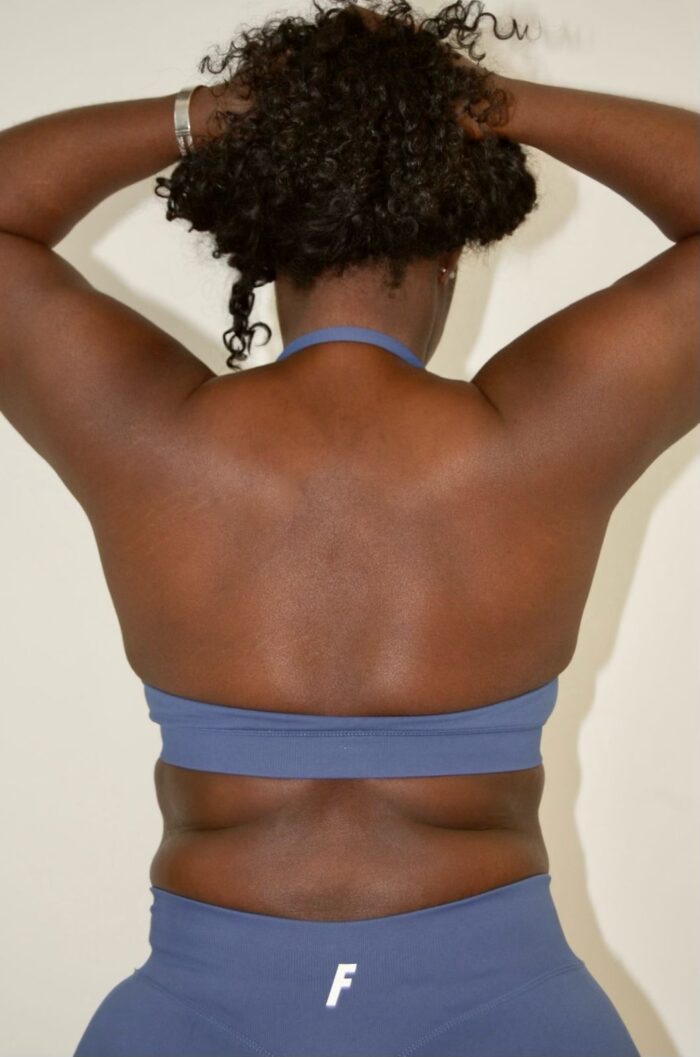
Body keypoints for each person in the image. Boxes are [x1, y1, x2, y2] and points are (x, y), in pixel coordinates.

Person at [0, 1, 697, 1054]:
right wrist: (492, 104)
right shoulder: (541, 435)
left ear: (262, 247)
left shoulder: (150, 436)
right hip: (505, 1011)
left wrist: (205, 115)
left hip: (201, 1016)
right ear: (453, 252)